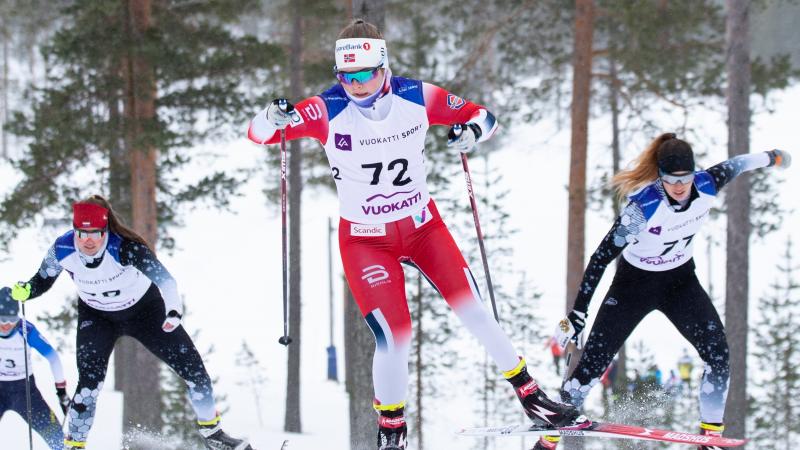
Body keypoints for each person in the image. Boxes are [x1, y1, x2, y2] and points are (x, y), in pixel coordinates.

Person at [248, 18, 582, 450]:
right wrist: (270, 115)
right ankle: (392, 432)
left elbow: (485, 117)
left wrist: (470, 133)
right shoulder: (326, 109)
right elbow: (261, 134)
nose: (356, 84)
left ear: (383, 67)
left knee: (475, 311)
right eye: (346, 76)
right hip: (367, 241)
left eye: (365, 73)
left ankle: (533, 398)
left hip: (423, 227)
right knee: (395, 334)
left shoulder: (415, 96)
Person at [541, 133, 791, 450]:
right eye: (671, 180)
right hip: (634, 285)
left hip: (680, 282)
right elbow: (600, 258)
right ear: (661, 176)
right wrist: (578, 313)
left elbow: (738, 164)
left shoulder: (708, 183)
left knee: (719, 355)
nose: (679, 187)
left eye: (685, 178)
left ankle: (710, 437)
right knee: (591, 366)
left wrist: (773, 157)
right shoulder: (642, 208)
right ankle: (550, 433)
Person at [3, 195, 252, 450]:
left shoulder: (125, 247)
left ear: (106, 230)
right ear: (74, 230)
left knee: (195, 371)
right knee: (89, 386)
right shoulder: (63, 249)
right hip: (97, 317)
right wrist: (26, 290)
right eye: (81, 233)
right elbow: (41, 280)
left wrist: (174, 311)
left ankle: (214, 435)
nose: (88, 240)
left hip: (145, 312)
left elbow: (166, 281)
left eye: (96, 233)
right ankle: (74, 445)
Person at [0, 292, 68, 449]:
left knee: (57, 437)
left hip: (24, 391)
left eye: (11, 319)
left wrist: (61, 390)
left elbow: (53, 357)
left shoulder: (26, 330)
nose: (6, 325)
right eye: (2, 319)